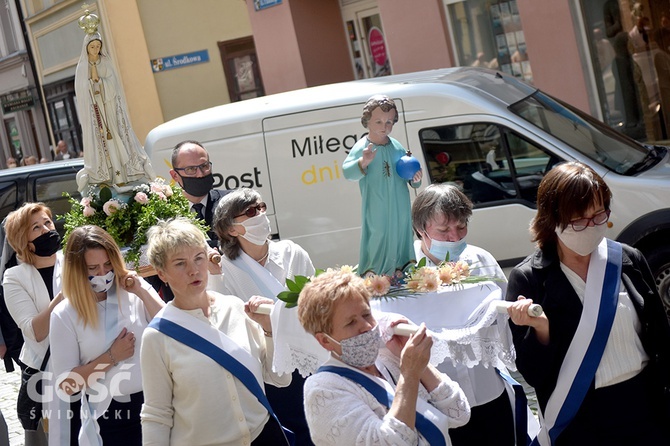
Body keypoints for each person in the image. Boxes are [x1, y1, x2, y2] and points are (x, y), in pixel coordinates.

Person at [505, 161, 670, 445]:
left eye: (598, 215)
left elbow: (661, 337)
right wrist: (541, 331)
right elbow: (533, 373)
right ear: (552, 219)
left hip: (645, 405)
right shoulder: (530, 278)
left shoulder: (627, 259)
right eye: (578, 220)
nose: (591, 226)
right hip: (580, 418)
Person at [141, 217, 292, 445]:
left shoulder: (235, 307)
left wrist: (270, 331)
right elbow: (156, 415)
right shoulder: (157, 336)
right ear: (162, 273)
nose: (194, 270)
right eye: (180, 263)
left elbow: (280, 379)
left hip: (265, 436)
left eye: (199, 258)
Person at [298, 269, 470, 445]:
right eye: (351, 322)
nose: (365, 326)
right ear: (325, 341)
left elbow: (459, 414)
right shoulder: (323, 388)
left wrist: (421, 366)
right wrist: (409, 375)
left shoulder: (388, 359)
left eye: (366, 315)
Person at [411, 183, 518, 445]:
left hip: (489, 394)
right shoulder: (401, 272)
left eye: (461, 227)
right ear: (420, 230)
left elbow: (506, 322)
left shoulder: (481, 260)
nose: (454, 237)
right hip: (437, 406)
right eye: (444, 230)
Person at [211, 187, 315, 445]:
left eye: (262, 208)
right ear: (231, 229)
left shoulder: (292, 252)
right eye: (250, 211)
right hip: (268, 370)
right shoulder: (223, 270)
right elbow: (221, 322)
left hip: (309, 357)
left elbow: (315, 303)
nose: (260, 215)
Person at [49, 225, 164, 445]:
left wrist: (140, 290)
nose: (103, 273)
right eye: (93, 267)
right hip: (112, 415)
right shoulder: (64, 315)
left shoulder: (134, 292)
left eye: (108, 263)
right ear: (77, 270)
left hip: (156, 403)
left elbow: (172, 328)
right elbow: (68, 385)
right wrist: (110, 358)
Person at [3, 203, 69, 446]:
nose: (46, 230)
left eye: (48, 223)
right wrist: (64, 296)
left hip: (85, 366)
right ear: (24, 240)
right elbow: (35, 331)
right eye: (36, 227)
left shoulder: (72, 262)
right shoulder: (14, 278)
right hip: (46, 378)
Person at [342, 95, 422, 276]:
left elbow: (408, 176)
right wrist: (364, 161)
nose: (384, 127)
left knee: (402, 230)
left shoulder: (397, 147)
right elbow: (348, 172)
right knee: (378, 233)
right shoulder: (362, 147)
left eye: (389, 122)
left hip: (400, 202)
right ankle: (376, 271)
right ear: (367, 122)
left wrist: (416, 178)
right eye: (378, 121)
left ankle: (402, 268)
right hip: (376, 203)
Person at [74, 24, 155, 193]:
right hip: (95, 111)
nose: (96, 50)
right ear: (86, 48)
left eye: (98, 46)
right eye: (92, 47)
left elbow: (114, 84)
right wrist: (91, 85)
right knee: (102, 141)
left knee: (118, 137)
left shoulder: (106, 62)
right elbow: (81, 91)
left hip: (109, 106)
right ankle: (108, 175)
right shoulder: (82, 67)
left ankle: (124, 173)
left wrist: (101, 83)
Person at [169, 140, 230, 245]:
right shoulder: (168, 215)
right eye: (191, 169)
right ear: (175, 175)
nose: (200, 175)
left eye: (204, 166)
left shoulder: (230, 202)